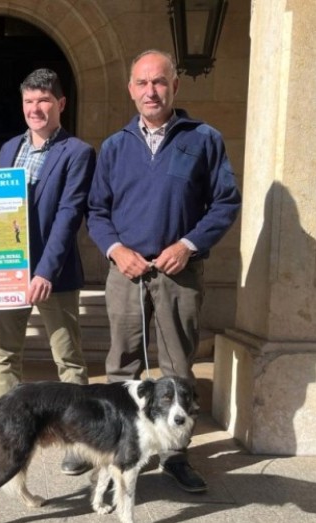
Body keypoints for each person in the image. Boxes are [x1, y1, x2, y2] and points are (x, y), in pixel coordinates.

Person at [87, 50, 241, 493]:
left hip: (180, 272)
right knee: (122, 365)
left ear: (175, 85)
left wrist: (189, 245)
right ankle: (115, 446)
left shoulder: (204, 139)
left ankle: (175, 455)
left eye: (159, 82)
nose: (150, 91)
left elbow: (225, 202)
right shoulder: (115, 146)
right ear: (130, 89)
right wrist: (116, 250)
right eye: (141, 83)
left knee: (177, 367)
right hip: (127, 271)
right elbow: (97, 211)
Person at [0, 68, 94, 475]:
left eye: (43, 101)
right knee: (6, 356)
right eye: (28, 102)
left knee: (69, 360)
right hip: (7, 273)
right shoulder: (8, 149)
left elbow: (68, 215)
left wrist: (45, 271)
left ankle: (79, 440)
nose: (35, 109)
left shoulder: (77, 152)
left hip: (53, 276)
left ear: (60, 103)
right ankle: (7, 434)